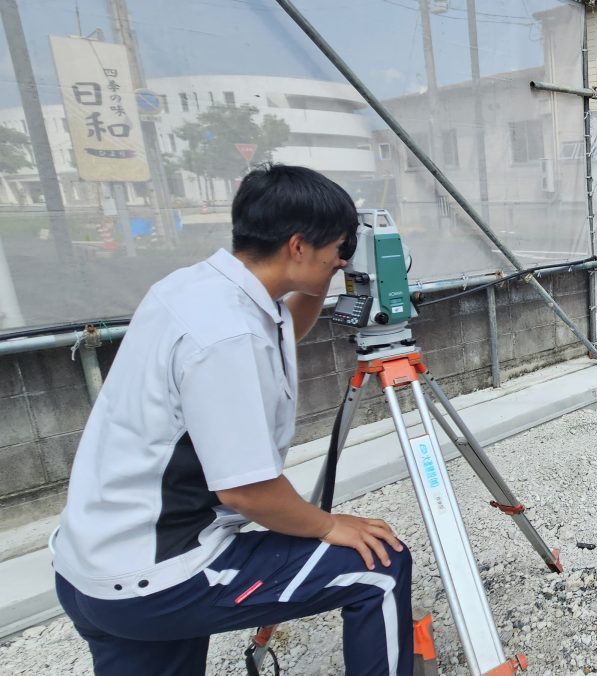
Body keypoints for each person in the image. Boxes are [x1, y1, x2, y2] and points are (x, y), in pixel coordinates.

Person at [51, 164, 413, 676]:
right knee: (381, 567)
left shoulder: (193, 290)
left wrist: (322, 283)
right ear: (297, 246)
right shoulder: (226, 336)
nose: (344, 258)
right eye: (338, 247)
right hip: (160, 575)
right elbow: (248, 492)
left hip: (91, 570)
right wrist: (330, 524)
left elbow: (279, 330)